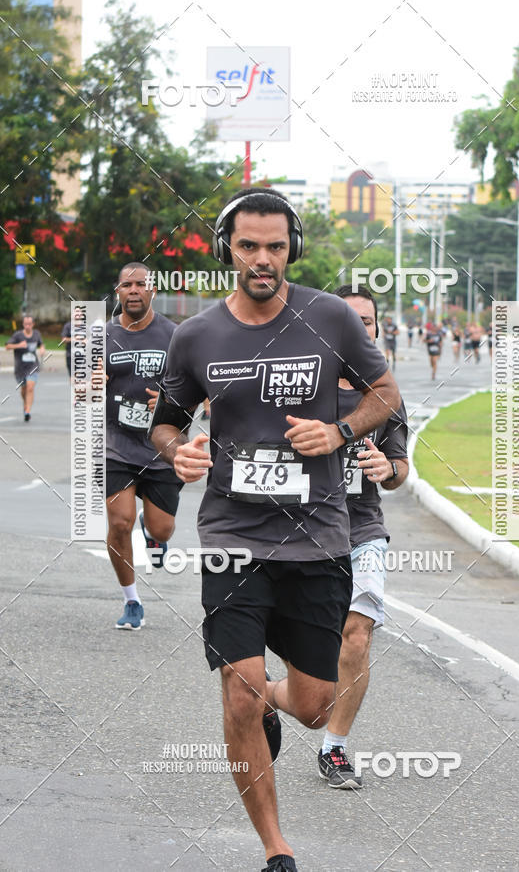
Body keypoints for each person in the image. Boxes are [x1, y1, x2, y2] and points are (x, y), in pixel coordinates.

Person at [151, 187, 400, 872]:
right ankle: (276, 848)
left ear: (293, 248)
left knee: (316, 708)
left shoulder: (329, 318)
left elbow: (386, 393)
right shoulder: (196, 335)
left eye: (276, 246)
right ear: (226, 247)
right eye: (249, 245)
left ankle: (273, 703)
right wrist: (180, 450)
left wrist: (340, 429)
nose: (263, 259)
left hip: (318, 539)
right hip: (233, 536)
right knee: (238, 687)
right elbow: (167, 419)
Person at [316, 284, 409, 789]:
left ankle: (335, 749)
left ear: (375, 330)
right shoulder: (304, 387)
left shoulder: (385, 392)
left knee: (357, 633)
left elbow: (401, 471)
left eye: (367, 322)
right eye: (349, 321)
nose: (359, 329)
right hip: (300, 531)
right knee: (306, 653)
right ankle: (275, 695)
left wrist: (384, 467)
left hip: (362, 529)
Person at [105, 261, 182, 630]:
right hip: (115, 446)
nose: (133, 290)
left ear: (152, 290)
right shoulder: (101, 336)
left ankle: (154, 536)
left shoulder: (173, 335)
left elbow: (194, 390)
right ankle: (131, 600)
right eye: (126, 285)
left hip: (160, 447)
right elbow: (82, 391)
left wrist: (169, 404)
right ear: (117, 292)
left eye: (141, 284)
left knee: (162, 528)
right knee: (119, 523)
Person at [5, 315, 45, 422]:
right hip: (20, 368)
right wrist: (18, 345)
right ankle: (26, 404)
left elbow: (41, 344)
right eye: (25, 324)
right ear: (23, 324)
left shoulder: (36, 334)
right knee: (24, 390)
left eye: (29, 324)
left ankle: (27, 411)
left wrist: (42, 349)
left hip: (33, 366)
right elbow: (7, 346)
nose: (27, 326)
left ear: (33, 324)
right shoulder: (17, 335)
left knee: (30, 387)